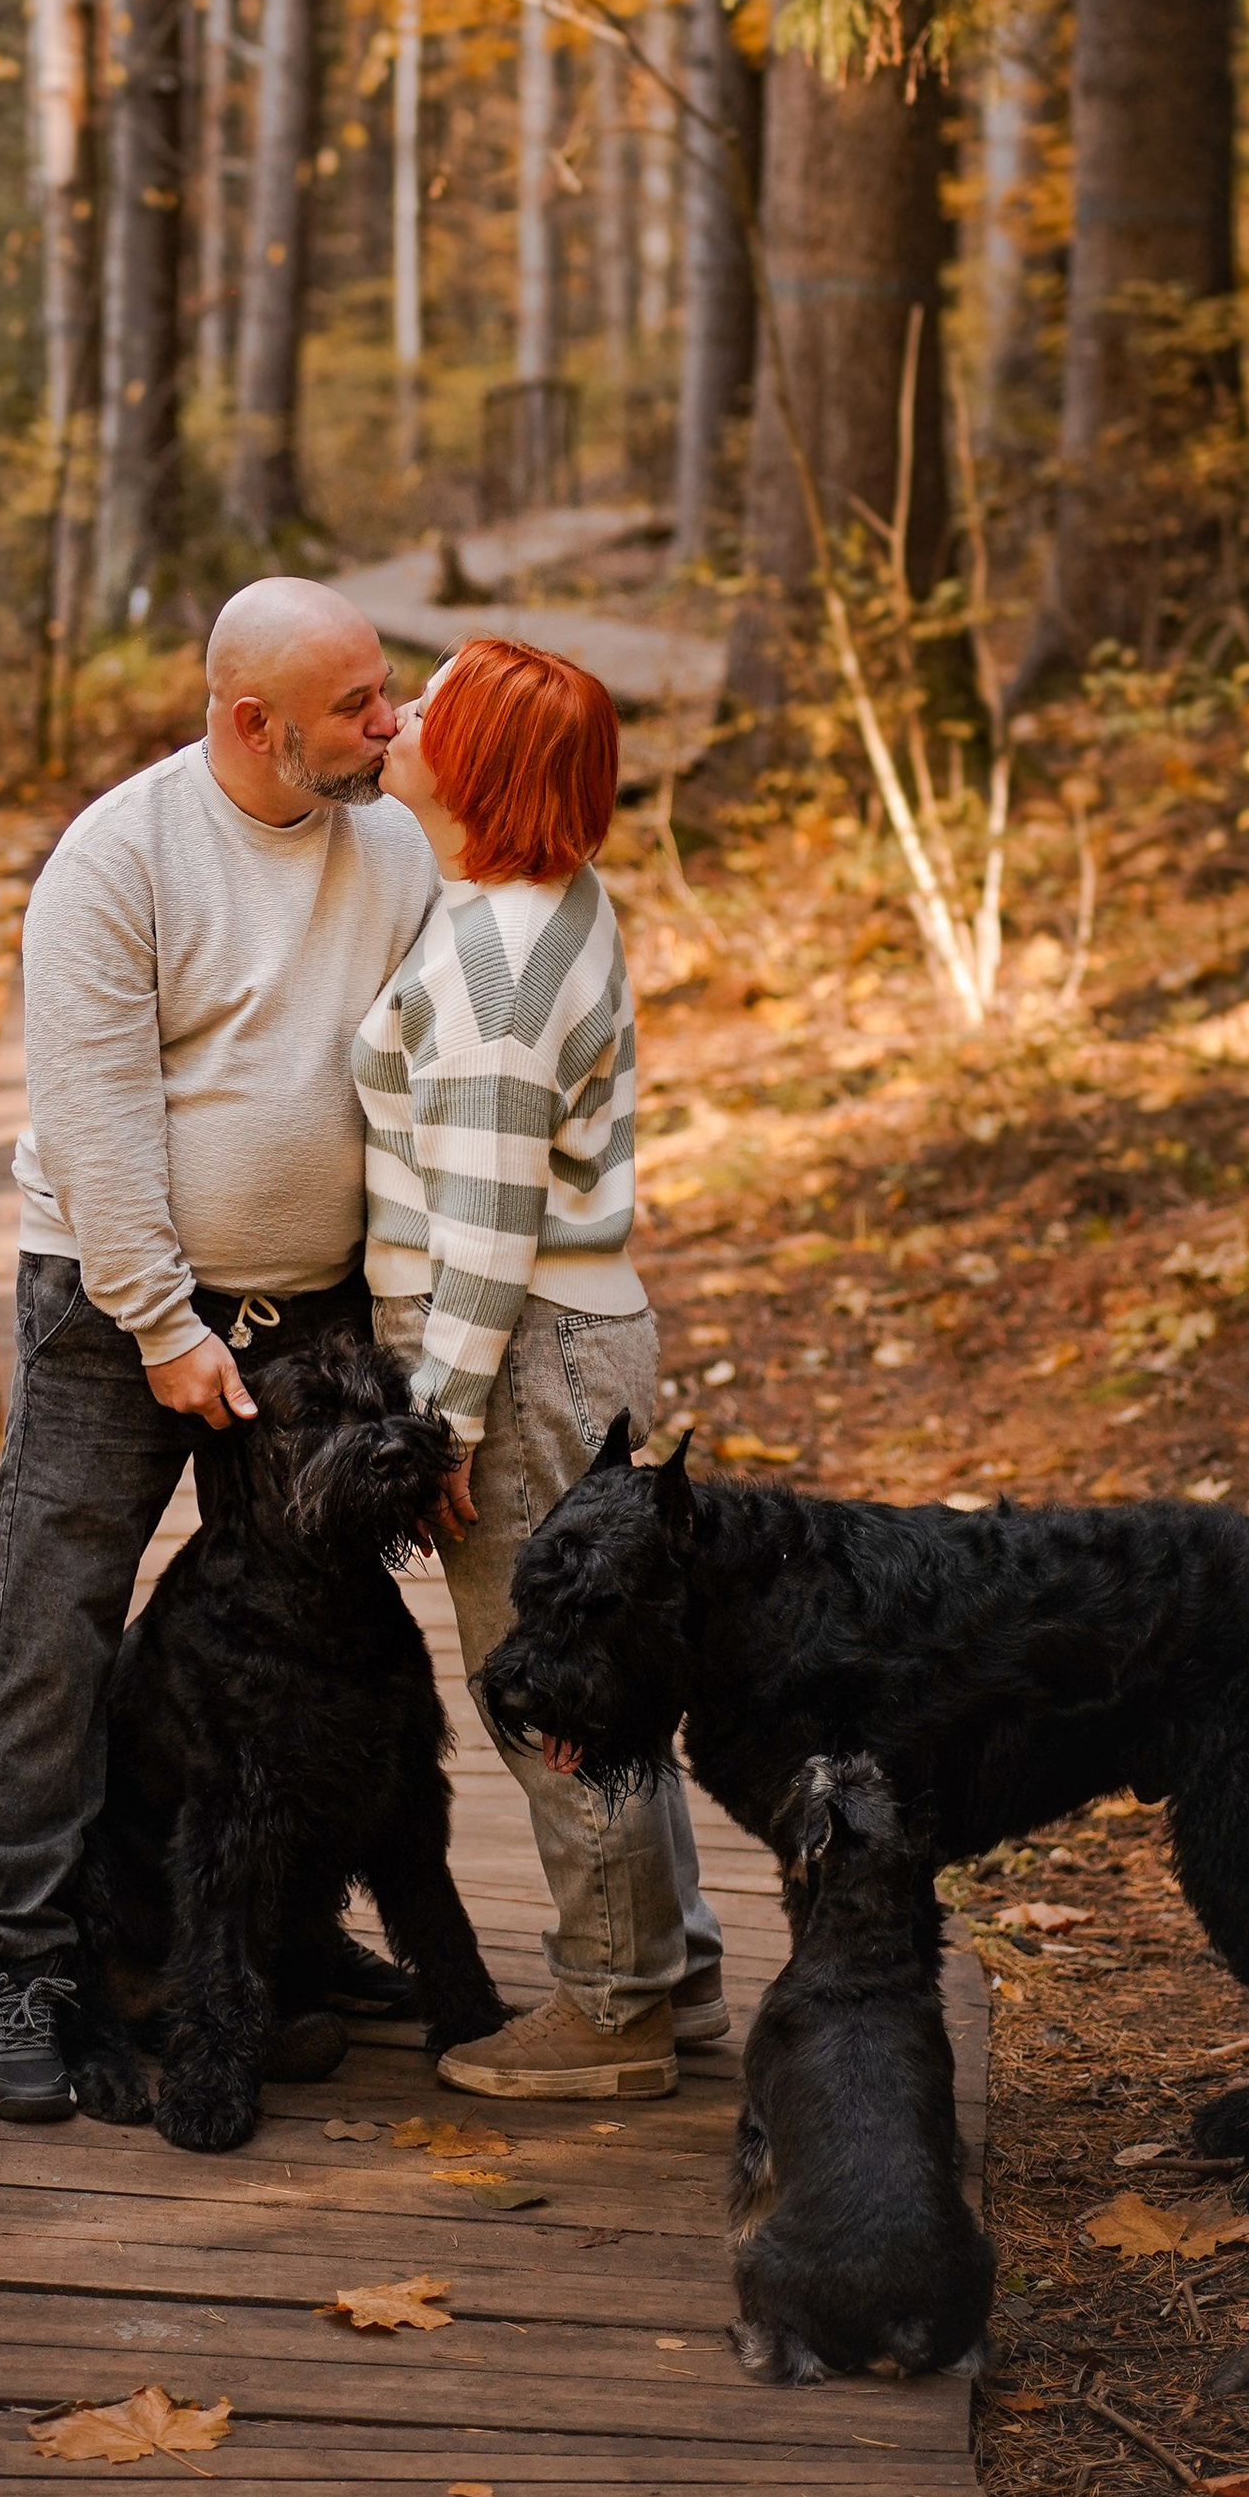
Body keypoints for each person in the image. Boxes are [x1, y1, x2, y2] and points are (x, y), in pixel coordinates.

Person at [0, 576, 441, 2121]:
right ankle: (26, 1953)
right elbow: (94, 1119)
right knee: (59, 1607)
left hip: (321, 1315)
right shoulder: (120, 860)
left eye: (388, 689)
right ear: (252, 724)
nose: (392, 722)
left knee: (309, 1640)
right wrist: (161, 1320)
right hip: (116, 1304)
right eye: (359, 706)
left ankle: (286, 1933)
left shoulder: (397, 845)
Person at [355, 633, 726, 2099]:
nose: (404, 714)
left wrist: (435, 1428)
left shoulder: (495, 973)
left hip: (511, 1363)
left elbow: (490, 1234)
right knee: (610, 1674)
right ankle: (670, 1966)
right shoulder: (552, 897)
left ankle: (614, 2010)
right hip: (577, 1343)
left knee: (553, 1693)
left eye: (434, 707)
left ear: (477, 765)